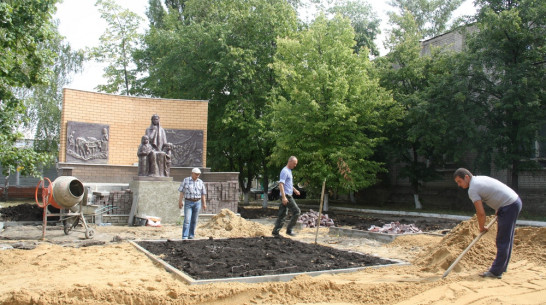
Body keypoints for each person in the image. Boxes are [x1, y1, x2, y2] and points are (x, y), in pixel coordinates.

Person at [453, 168, 522, 279]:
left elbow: (480, 213)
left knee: (502, 240)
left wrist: (481, 227)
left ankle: (496, 272)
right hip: (513, 202)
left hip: (509, 205)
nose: (459, 185)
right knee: (506, 239)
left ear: (466, 177)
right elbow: (496, 191)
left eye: (459, 181)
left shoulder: (473, 189)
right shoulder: (479, 179)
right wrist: (499, 206)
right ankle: (502, 268)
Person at [272, 156, 301, 237]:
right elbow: (281, 184)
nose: (295, 165)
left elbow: (289, 184)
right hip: (287, 196)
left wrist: (295, 190)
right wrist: (284, 197)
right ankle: (289, 230)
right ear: (290, 161)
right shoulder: (284, 171)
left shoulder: (289, 171)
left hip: (287, 195)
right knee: (297, 211)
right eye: (294, 164)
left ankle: (275, 232)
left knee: (282, 214)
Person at [178, 168, 207, 240]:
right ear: (192, 173)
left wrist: (204, 203)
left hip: (197, 202)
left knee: (194, 220)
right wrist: (180, 201)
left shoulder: (200, 182)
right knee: (187, 220)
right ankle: (184, 236)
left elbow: (203, 194)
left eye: (199, 174)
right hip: (188, 202)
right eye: (196, 174)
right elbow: (182, 191)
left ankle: (191, 235)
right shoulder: (186, 180)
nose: (197, 176)